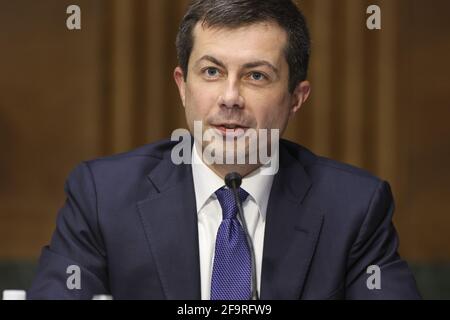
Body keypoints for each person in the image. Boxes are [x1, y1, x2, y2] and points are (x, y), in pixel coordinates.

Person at [28, 0, 421, 300]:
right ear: (183, 85)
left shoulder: (354, 207)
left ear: (296, 98)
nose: (230, 97)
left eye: (256, 76)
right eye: (212, 71)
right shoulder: (102, 195)